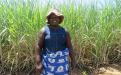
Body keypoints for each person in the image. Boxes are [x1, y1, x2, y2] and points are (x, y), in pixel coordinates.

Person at [35, 9, 75, 75]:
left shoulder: (65, 31)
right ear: (48, 19)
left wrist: (73, 61)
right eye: (52, 17)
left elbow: (70, 47)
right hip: (48, 63)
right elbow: (38, 46)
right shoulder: (43, 31)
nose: (54, 19)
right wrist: (38, 62)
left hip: (62, 63)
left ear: (59, 19)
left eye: (56, 17)